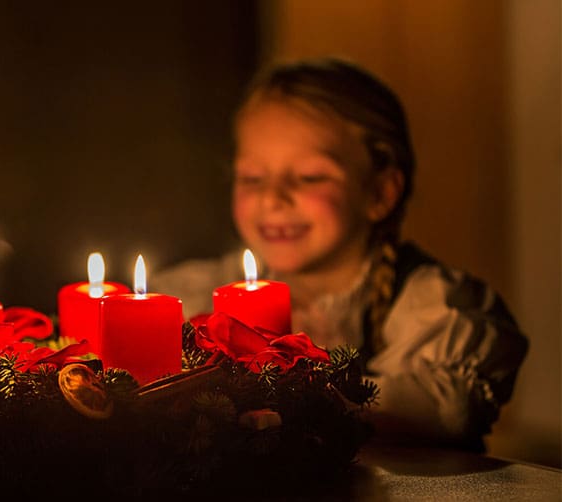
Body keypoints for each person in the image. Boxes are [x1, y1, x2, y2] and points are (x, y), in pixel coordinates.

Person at [151, 57, 528, 452]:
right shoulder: (204, 292)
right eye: (252, 178)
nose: (272, 198)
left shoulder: (433, 305)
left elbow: (445, 409)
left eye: (310, 177)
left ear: (380, 193)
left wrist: (301, 394)